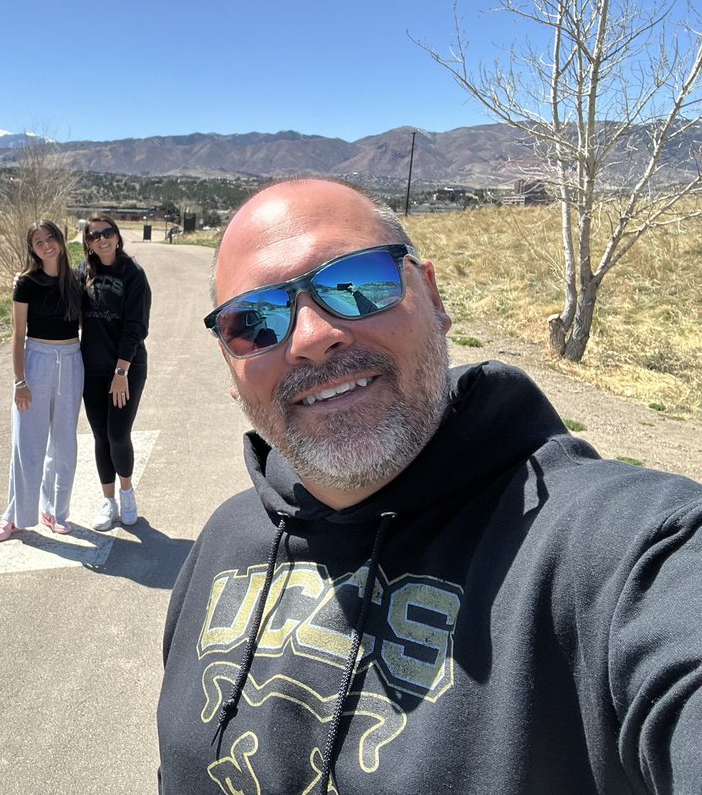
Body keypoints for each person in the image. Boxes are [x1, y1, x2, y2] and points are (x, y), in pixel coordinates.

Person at [157, 178, 702, 794]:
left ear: (434, 297)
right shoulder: (225, 541)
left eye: (356, 284)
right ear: (233, 371)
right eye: (254, 322)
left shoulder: (624, 551)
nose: (311, 338)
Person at [0, 220, 84, 543]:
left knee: (64, 444)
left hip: (72, 362)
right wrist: (20, 381)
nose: (46, 245)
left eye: (50, 238)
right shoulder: (26, 283)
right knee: (27, 444)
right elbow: (18, 334)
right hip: (37, 361)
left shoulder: (75, 281)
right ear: (32, 248)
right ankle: (14, 516)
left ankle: (55, 511)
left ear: (60, 240)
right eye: (38, 241)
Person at [79, 213, 152, 531]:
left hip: (126, 369)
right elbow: (56, 293)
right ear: (88, 243)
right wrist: (23, 280)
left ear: (118, 236)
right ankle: (108, 502)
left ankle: (127, 494)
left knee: (117, 434)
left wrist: (121, 371)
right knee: (100, 436)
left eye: (107, 232)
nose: (102, 238)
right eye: (94, 235)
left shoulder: (133, 274)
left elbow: (136, 327)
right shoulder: (83, 272)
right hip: (92, 369)